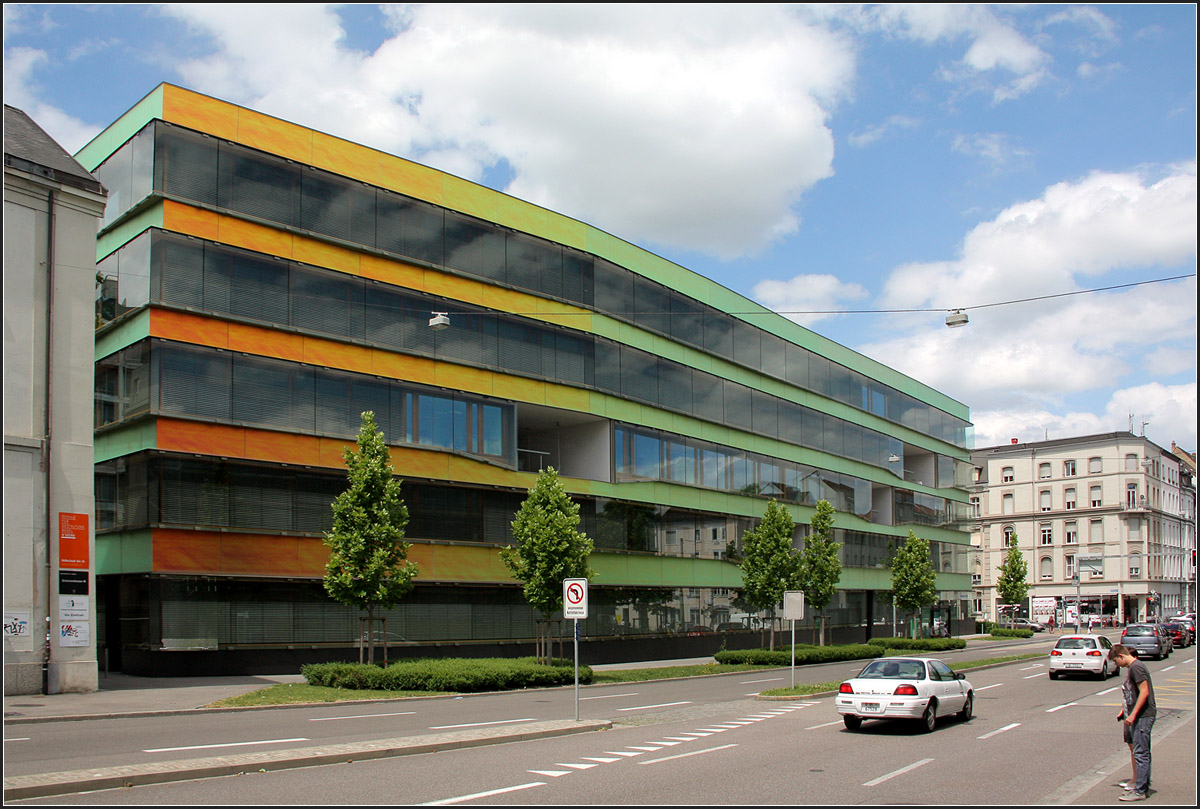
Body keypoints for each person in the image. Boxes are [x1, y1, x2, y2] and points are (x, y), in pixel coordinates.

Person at [1109, 645, 1156, 801]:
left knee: (1141, 753)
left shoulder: (1136, 668)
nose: (1117, 665)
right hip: (1140, 716)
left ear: (1122, 656)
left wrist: (1133, 715)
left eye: (1116, 661)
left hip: (1143, 716)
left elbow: (1145, 691)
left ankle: (1140, 790)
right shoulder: (1134, 668)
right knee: (1141, 752)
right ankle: (1141, 786)